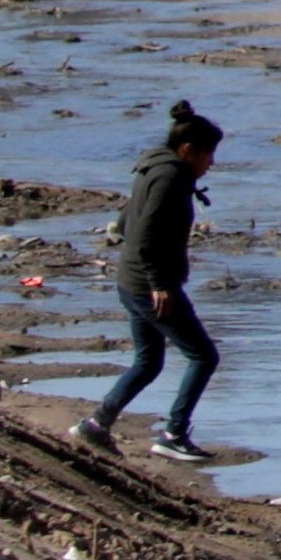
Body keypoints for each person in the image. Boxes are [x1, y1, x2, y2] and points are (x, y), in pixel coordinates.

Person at [78, 99, 224, 463]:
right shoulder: (171, 177)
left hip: (130, 282)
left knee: (148, 361)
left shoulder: (153, 166)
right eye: (209, 155)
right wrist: (161, 283)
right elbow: (143, 235)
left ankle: (96, 425)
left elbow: (126, 223)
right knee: (203, 356)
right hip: (150, 288)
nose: (212, 163)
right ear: (189, 149)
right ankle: (174, 434)